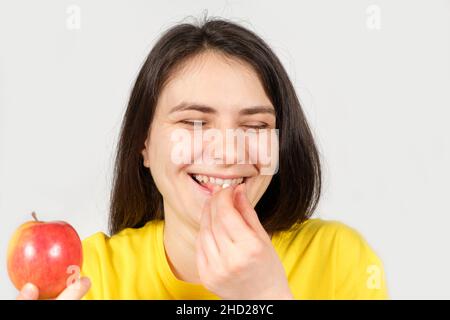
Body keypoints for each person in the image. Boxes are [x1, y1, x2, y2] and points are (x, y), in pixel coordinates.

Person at [16, 17, 388, 300]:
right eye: (194, 122)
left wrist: (266, 296)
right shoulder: (86, 275)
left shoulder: (339, 258)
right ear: (144, 143)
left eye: (255, 125)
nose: (227, 153)